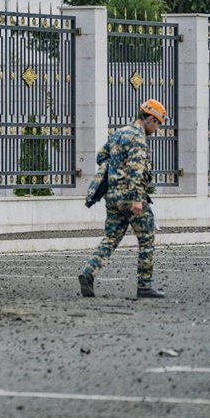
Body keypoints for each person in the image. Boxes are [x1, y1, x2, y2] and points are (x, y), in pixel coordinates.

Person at [78, 99, 167, 299]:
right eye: (158, 123)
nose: (157, 128)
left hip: (113, 195)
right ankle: (144, 286)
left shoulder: (118, 133)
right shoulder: (139, 138)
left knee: (111, 238)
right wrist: (137, 198)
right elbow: (136, 170)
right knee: (147, 238)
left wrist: (116, 169)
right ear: (150, 119)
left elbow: (101, 156)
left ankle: (88, 272)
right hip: (131, 195)